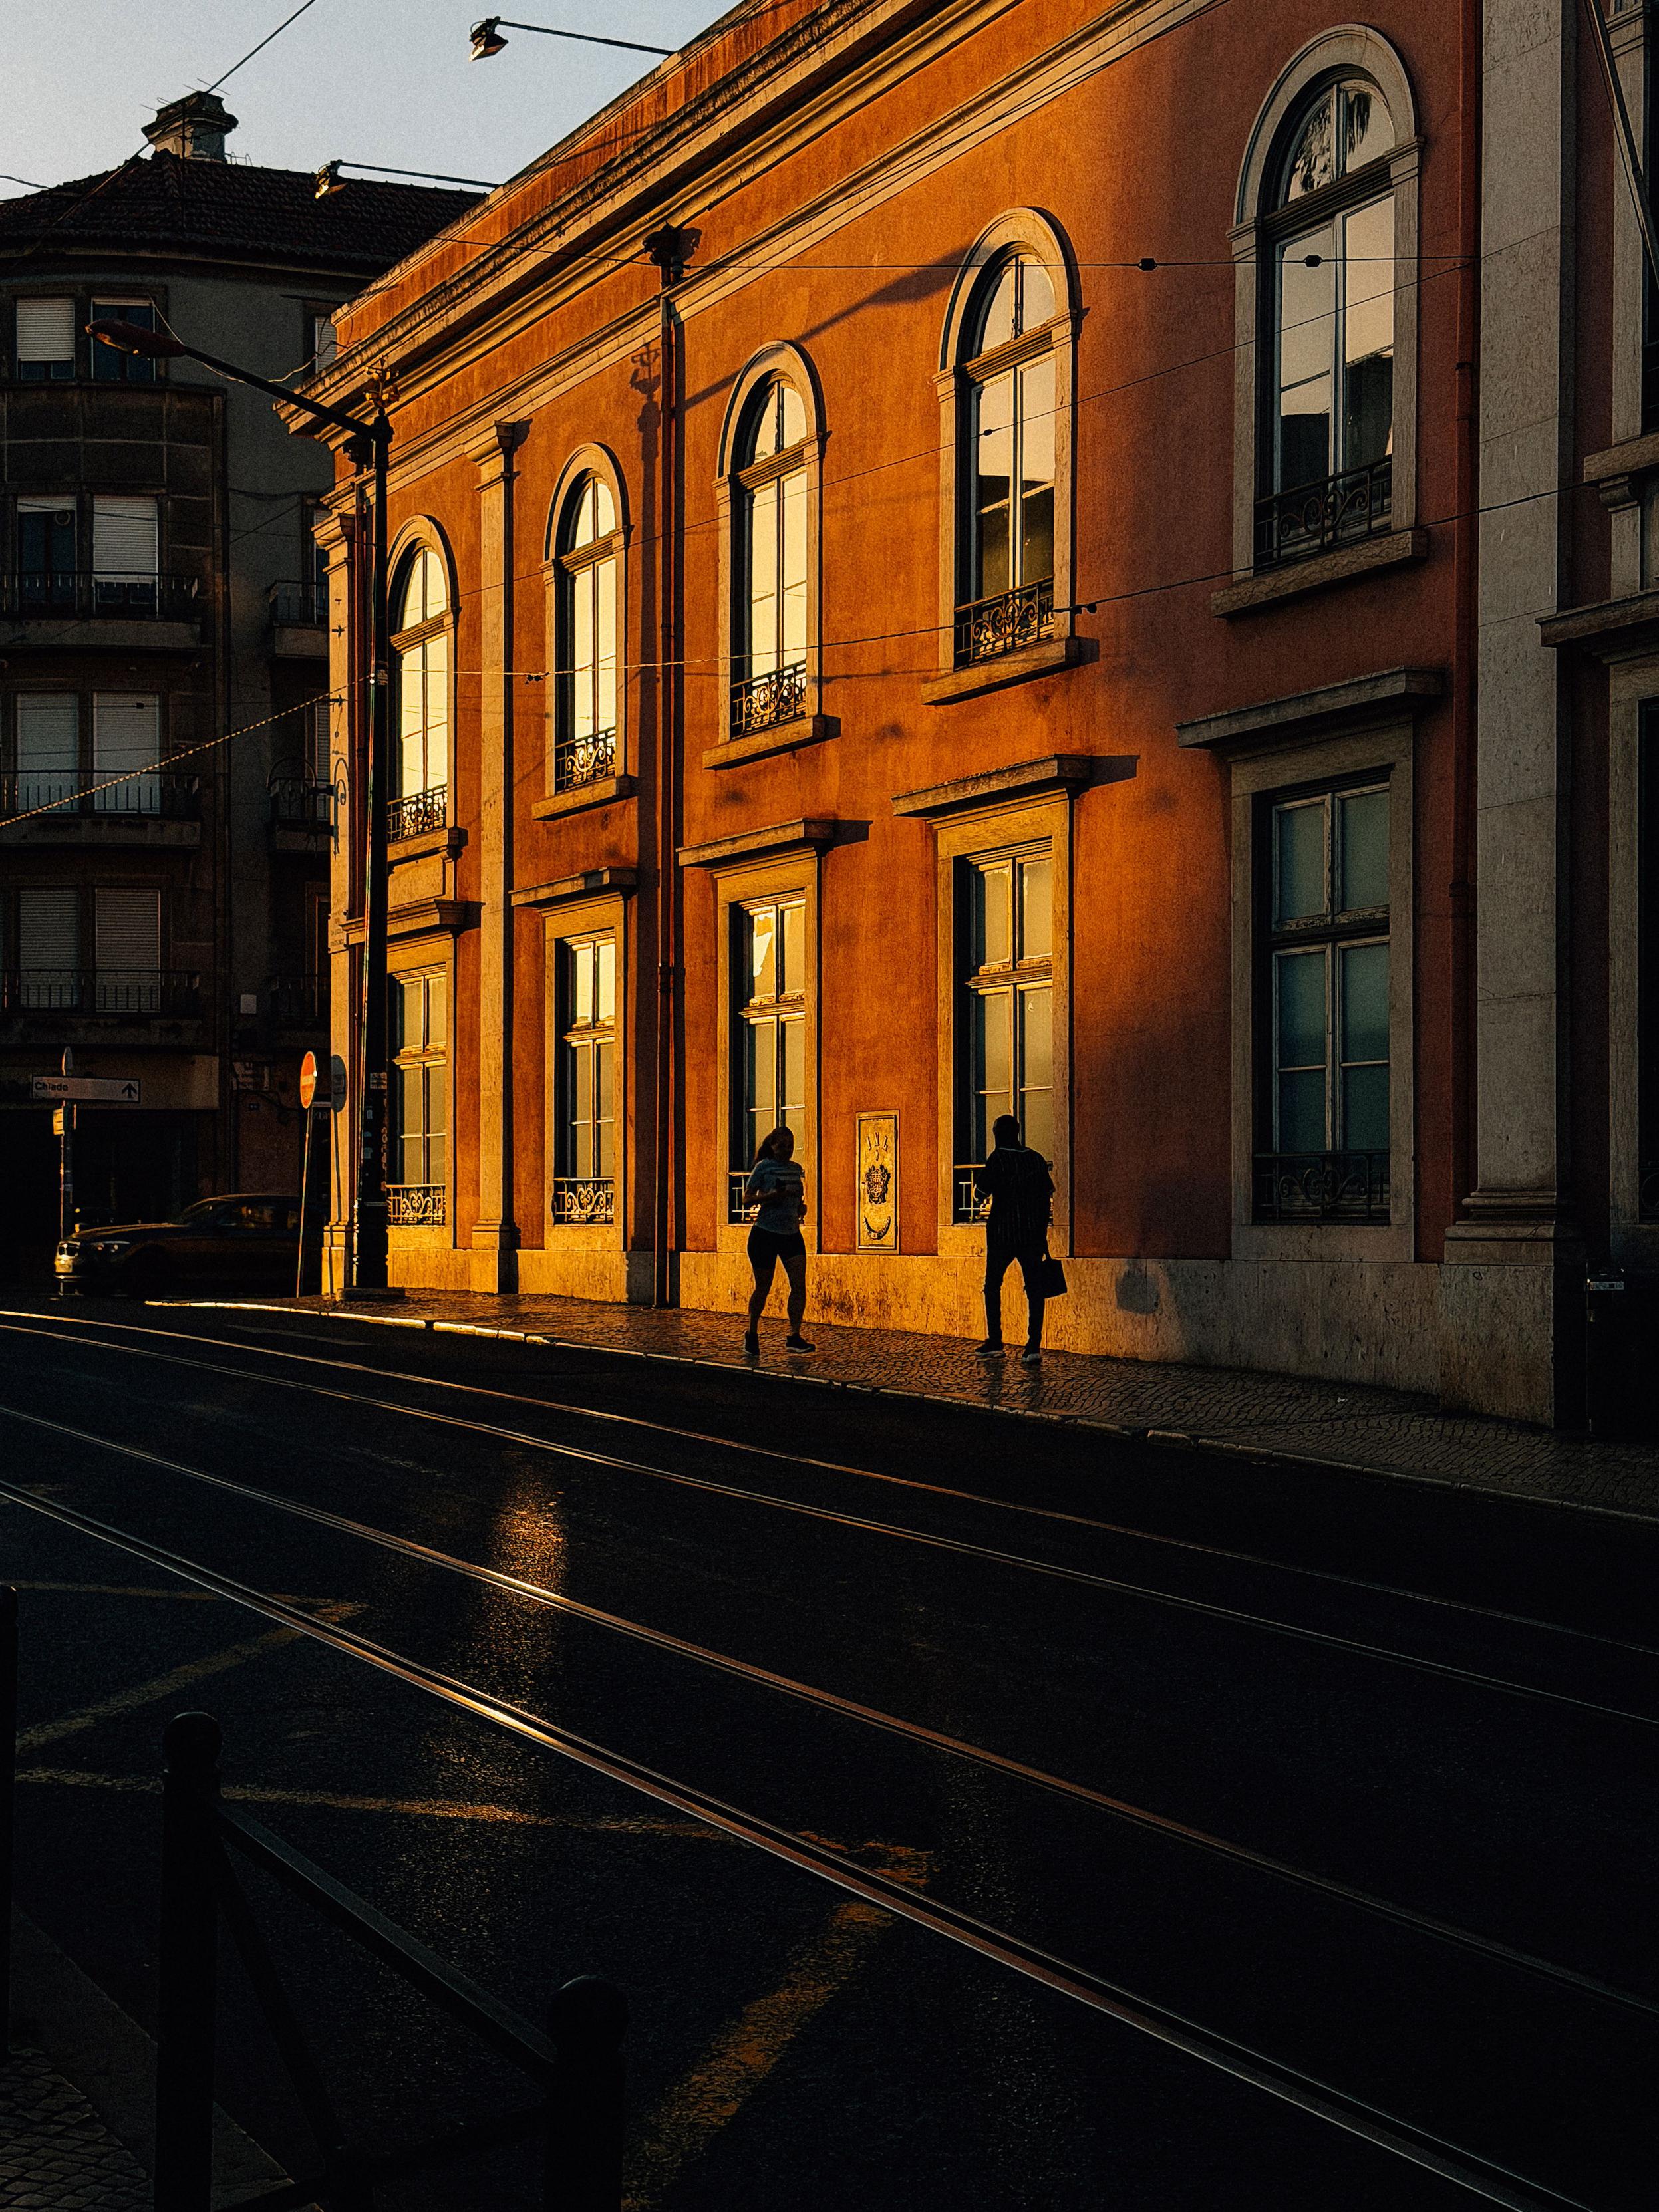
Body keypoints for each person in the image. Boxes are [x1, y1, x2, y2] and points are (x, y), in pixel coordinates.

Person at [973, 1114, 1054, 1365]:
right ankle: (1033, 1346)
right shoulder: (1036, 1159)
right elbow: (1046, 1197)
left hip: (1003, 1234)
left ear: (997, 1134)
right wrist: (1042, 1235)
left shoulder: (998, 1159)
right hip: (1032, 1234)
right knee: (1035, 1289)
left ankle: (995, 1341)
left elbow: (980, 1194)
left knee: (993, 1285)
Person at [742, 1125, 814, 1354]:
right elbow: (746, 1200)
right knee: (763, 1287)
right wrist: (771, 1197)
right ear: (772, 1146)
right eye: (782, 1146)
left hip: (791, 1233)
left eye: (790, 1146)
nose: (787, 1150)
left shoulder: (796, 1169)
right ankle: (752, 1332)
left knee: (799, 1285)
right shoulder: (763, 1168)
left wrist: (800, 1208)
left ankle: (794, 1335)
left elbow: (797, 1198)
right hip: (765, 1234)